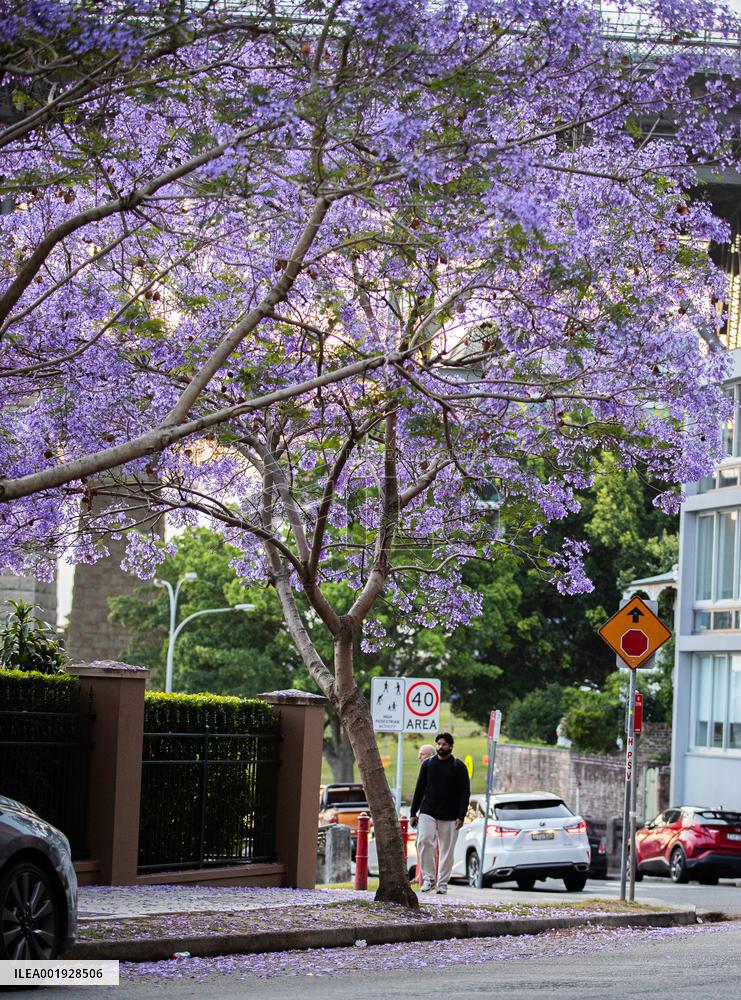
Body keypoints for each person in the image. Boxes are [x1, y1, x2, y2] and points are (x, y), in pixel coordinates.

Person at [409, 732, 470, 894]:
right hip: (428, 810)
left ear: (450, 746)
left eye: (444, 744)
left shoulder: (459, 766)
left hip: (450, 814)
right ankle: (428, 878)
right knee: (424, 841)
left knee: (446, 850)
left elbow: (465, 793)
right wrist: (413, 812)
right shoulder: (428, 765)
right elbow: (419, 789)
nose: (440, 747)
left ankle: (442, 882)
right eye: (438, 744)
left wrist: (461, 816)